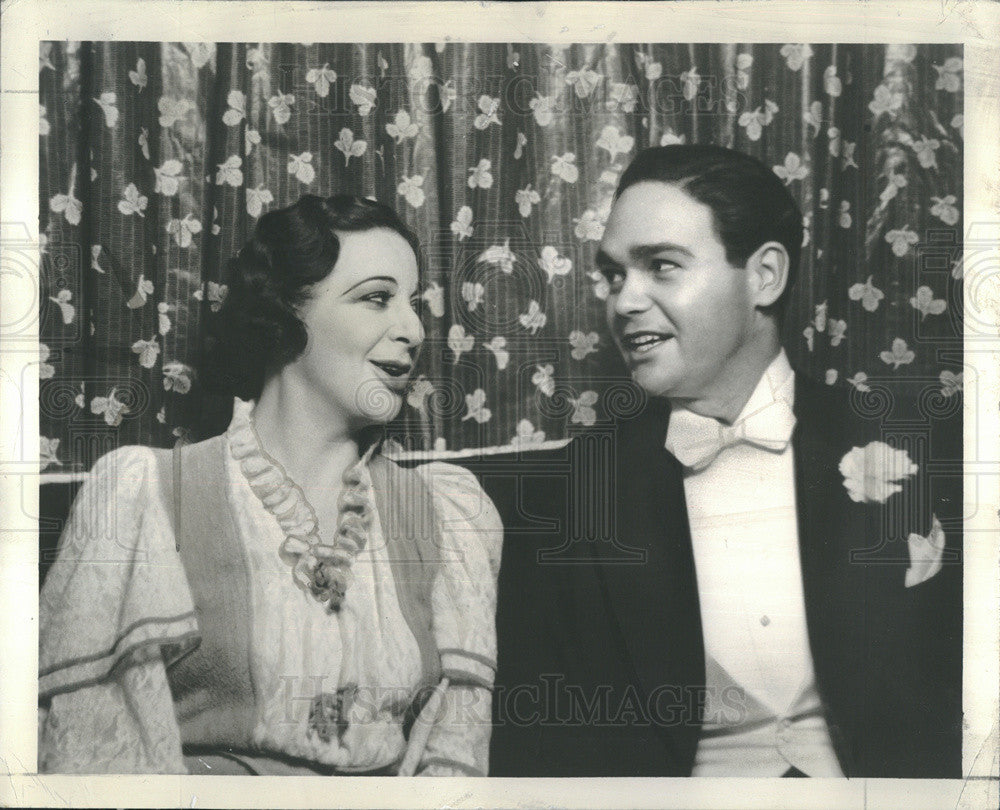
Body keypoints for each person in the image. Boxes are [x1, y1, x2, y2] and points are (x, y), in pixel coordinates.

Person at [482, 145, 962, 778]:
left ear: (764, 276)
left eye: (661, 265)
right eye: (615, 275)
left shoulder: (925, 449)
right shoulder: (574, 494)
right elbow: (544, 751)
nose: (624, 301)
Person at [38, 194, 502, 776]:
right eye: (377, 299)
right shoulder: (145, 494)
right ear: (285, 312)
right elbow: (90, 751)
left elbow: (454, 753)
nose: (411, 329)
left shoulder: (446, 514)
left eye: (413, 305)